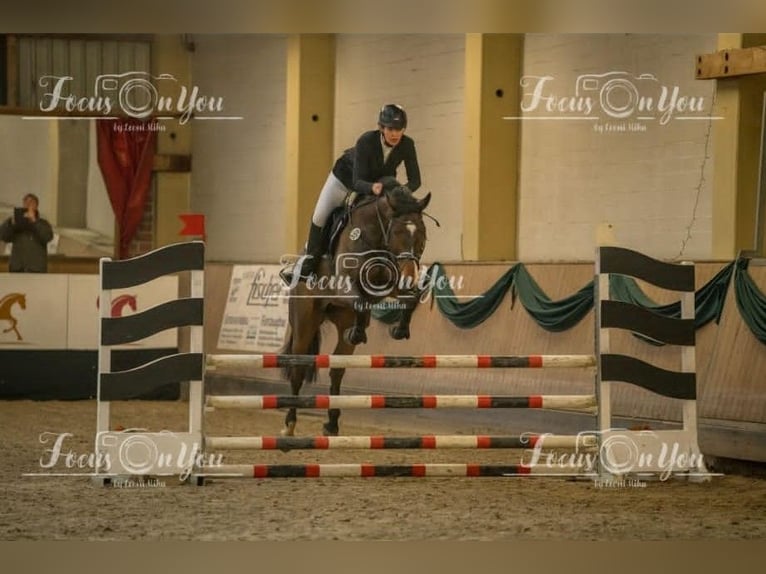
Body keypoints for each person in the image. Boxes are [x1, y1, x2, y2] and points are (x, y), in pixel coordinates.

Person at [294, 103, 422, 280]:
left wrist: (401, 192)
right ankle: (309, 264)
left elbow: (416, 180)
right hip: (345, 180)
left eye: (399, 129)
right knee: (320, 217)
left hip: (379, 185)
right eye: (390, 129)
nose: (395, 134)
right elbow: (357, 181)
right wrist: (371, 187)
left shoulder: (407, 145)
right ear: (381, 128)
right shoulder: (366, 141)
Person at [0, 193, 54, 273]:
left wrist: (34, 221)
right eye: (25, 202)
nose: (28, 204)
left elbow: (47, 237)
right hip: (17, 268)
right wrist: (10, 223)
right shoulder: (16, 223)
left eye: (31, 202)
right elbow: (3, 236)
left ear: (36, 206)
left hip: (36, 269)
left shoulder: (43, 223)